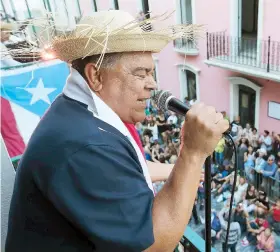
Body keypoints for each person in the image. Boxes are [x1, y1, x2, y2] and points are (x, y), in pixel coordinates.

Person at [5, 10, 229, 251]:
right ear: (96, 75)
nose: (152, 84)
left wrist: (178, 169)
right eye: (141, 73)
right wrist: (193, 154)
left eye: (151, 73)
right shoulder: (85, 145)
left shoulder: (77, 114)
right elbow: (154, 245)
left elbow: (125, 169)